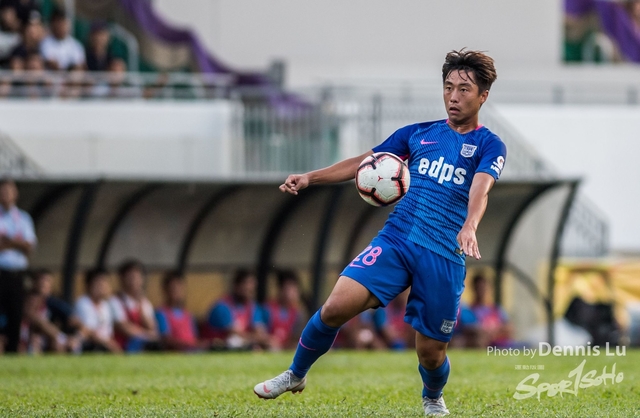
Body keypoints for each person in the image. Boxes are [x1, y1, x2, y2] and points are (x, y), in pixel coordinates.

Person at [253, 49, 506, 416]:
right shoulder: (418, 134)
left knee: (430, 353)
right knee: (335, 307)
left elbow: (480, 189)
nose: (453, 96)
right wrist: (310, 177)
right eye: (448, 87)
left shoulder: (489, 145)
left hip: (443, 254)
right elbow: (364, 163)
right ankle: (295, 373)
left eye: (464, 89)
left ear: (483, 95)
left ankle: (432, 397)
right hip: (397, 240)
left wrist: (470, 225)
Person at [0, 178, 37, 353]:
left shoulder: (23, 217)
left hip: (17, 274)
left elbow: (29, 246)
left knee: (16, 314)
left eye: (10, 190)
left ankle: (12, 351)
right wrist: (18, 242)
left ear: (16, 193)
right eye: (3, 190)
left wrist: (9, 241)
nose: (6, 194)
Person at [205, 269, 270, 350]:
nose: (250, 289)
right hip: (218, 348)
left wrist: (264, 339)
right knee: (234, 340)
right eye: (247, 285)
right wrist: (257, 339)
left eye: (252, 287)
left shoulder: (253, 307)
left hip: (246, 344)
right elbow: (233, 333)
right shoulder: (222, 306)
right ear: (237, 286)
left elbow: (259, 331)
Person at [109, 259, 158, 352]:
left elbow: (152, 327)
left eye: (137, 277)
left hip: (143, 343)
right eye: (130, 277)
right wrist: (147, 335)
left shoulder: (145, 302)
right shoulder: (114, 301)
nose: (134, 281)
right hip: (123, 346)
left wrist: (141, 306)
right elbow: (122, 327)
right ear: (122, 278)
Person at [155, 270, 206, 352]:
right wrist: (189, 345)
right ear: (165, 290)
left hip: (193, 353)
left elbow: (194, 338)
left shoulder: (188, 314)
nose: (176, 291)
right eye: (173, 288)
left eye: (179, 287)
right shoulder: (161, 313)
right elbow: (166, 340)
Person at [74, 268, 121, 353]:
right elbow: (88, 331)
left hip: (104, 343)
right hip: (89, 344)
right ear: (89, 285)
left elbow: (108, 332)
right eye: (99, 283)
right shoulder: (83, 303)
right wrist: (107, 343)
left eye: (105, 282)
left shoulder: (106, 305)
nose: (102, 286)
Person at [466, 274, 514, 348]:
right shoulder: (469, 310)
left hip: (501, 343)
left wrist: (494, 331)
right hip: (484, 344)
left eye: (483, 287)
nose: (481, 291)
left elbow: (509, 328)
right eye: (479, 288)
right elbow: (470, 329)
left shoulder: (497, 309)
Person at [263, 270, 305, 350]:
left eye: (295, 289)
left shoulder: (297, 313)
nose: (293, 293)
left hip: (285, 348)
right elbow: (259, 333)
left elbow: (296, 338)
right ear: (280, 289)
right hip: (269, 347)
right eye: (289, 288)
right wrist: (268, 339)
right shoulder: (268, 308)